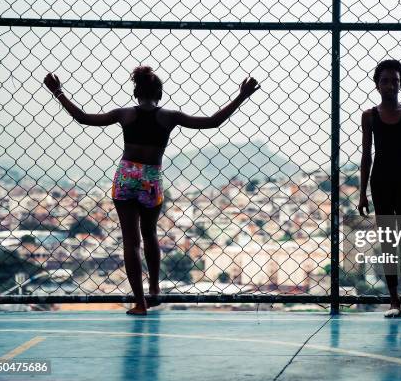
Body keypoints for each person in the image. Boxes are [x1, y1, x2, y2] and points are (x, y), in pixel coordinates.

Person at [43, 66, 260, 315]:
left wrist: (58, 92)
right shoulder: (169, 116)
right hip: (151, 178)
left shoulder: (124, 114)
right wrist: (242, 96)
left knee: (130, 242)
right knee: (150, 235)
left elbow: (83, 118)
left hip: (126, 176)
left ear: (136, 92)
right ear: (160, 93)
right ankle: (154, 289)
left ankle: (140, 303)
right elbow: (212, 122)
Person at [358, 59, 401, 318]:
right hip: (381, 182)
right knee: (387, 242)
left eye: (395, 81)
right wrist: (363, 193)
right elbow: (366, 157)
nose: (390, 85)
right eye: (385, 81)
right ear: (377, 85)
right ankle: (394, 301)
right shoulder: (370, 116)